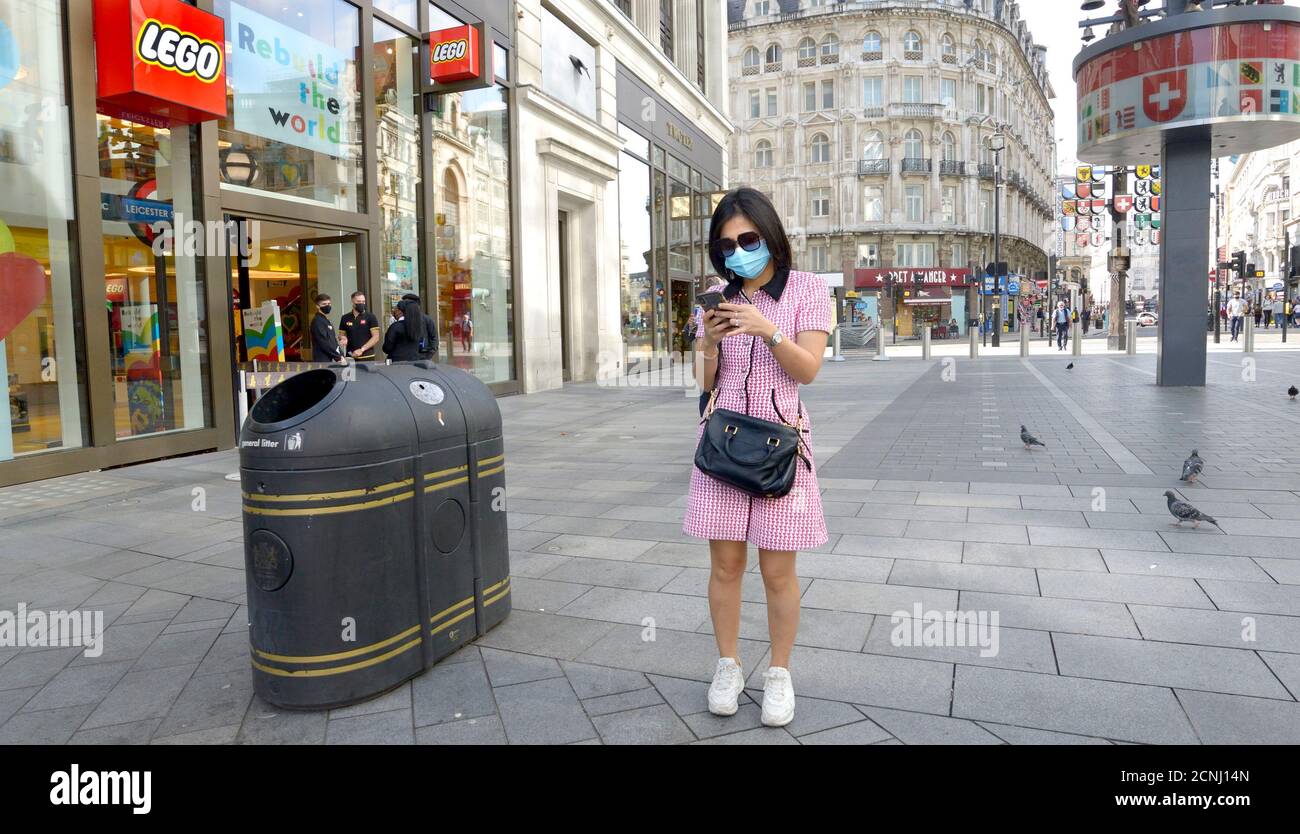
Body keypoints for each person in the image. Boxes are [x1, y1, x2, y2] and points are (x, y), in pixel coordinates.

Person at [687, 187, 830, 728]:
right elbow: (705, 384)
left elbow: (808, 370)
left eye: (747, 239)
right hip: (723, 446)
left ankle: (779, 673)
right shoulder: (716, 296)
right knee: (724, 565)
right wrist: (710, 344)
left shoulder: (808, 291)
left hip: (780, 451)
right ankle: (728, 664)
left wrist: (767, 329)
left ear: (770, 235)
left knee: (777, 571)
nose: (737, 251)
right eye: (726, 245)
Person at [338, 290, 381, 361]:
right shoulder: (345, 317)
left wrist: (362, 349)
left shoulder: (370, 317)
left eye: (363, 301)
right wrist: (343, 338)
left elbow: (376, 337)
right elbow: (341, 335)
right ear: (352, 301)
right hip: (350, 356)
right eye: (358, 301)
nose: (361, 303)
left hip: (367, 357)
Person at [399, 293, 439, 360]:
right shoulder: (400, 320)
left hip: (423, 357)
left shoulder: (427, 320)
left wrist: (428, 355)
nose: (404, 306)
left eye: (407, 303)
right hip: (405, 358)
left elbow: (434, 338)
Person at [310, 294, 344, 363]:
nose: (327, 306)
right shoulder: (318, 321)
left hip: (330, 359)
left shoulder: (326, 320)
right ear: (317, 306)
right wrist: (338, 357)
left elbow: (332, 340)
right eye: (324, 304)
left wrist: (340, 354)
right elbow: (324, 342)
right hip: (322, 361)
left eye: (329, 303)